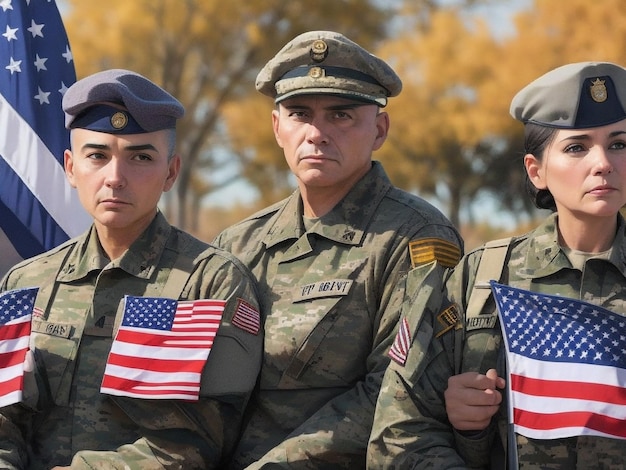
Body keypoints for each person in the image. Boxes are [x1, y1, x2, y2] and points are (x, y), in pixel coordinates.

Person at [213, 30, 464, 469]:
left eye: (341, 115)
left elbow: (395, 390)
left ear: (379, 129)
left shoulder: (415, 236)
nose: (316, 133)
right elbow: (206, 385)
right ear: (277, 127)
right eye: (299, 114)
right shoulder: (238, 243)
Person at [368, 61, 626, 469]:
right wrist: (468, 429)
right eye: (577, 147)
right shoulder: (478, 279)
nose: (604, 163)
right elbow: (400, 432)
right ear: (536, 170)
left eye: (619, 144)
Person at [0, 69, 263, 469]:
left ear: (171, 172)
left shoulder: (210, 283)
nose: (115, 178)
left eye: (140, 157)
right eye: (97, 156)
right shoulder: (26, 282)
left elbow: (196, 441)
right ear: (71, 168)